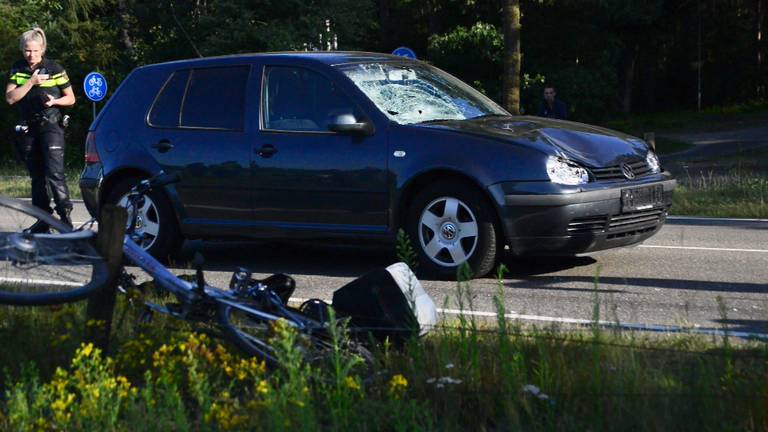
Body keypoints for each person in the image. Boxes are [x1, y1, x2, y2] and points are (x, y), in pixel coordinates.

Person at [6, 27, 75, 232]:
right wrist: (31, 82)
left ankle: (65, 218)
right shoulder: (17, 69)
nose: (31, 55)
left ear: (42, 49)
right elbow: (11, 98)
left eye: (35, 51)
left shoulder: (54, 68)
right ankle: (43, 219)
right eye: (27, 50)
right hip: (29, 128)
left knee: (54, 173)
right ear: (22, 50)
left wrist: (55, 100)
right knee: (36, 177)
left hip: (51, 125)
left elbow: (71, 98)